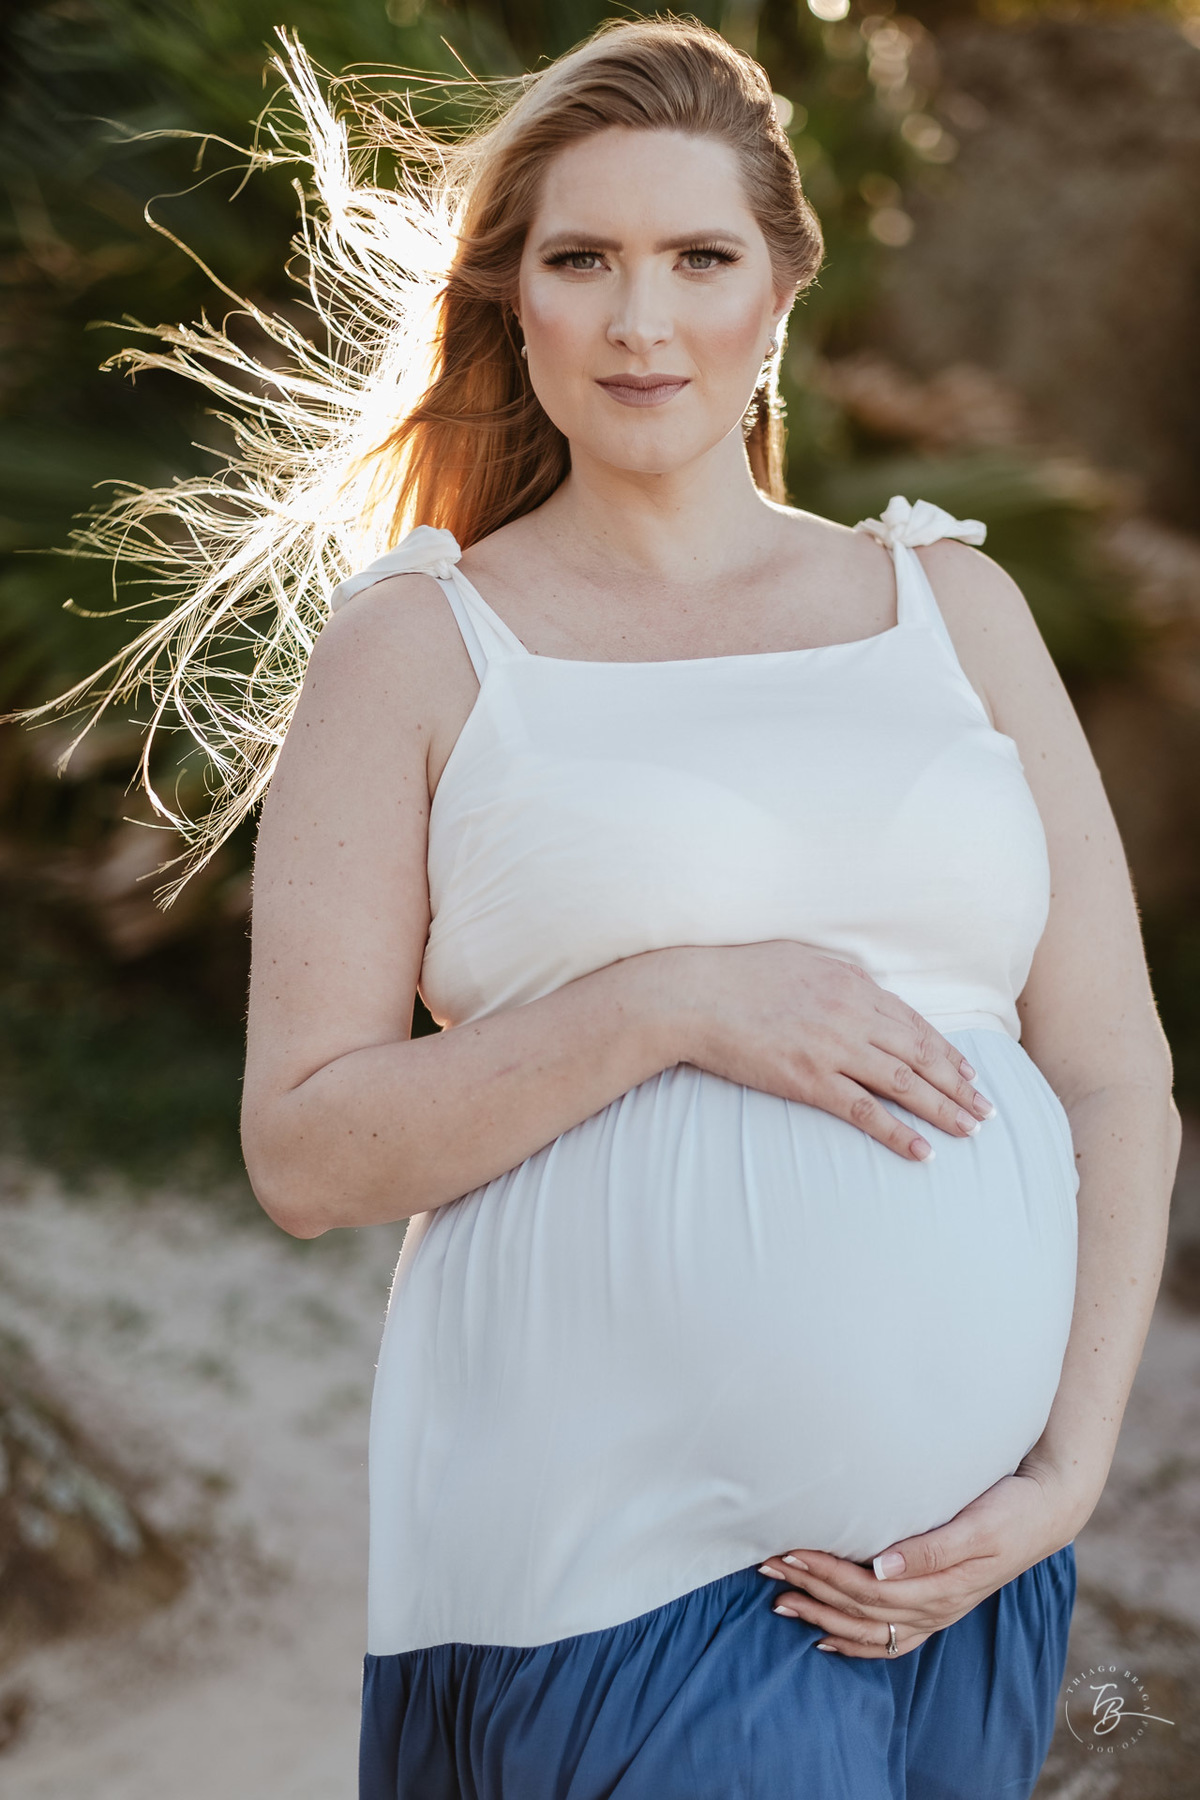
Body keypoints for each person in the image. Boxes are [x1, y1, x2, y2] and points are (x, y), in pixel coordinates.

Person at [36, 16, 1178, 1800]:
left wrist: (1067, 1477)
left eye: (698, 258)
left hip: (966, 1583)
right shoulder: (420, 646)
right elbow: (309, 1152)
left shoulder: (954, 605)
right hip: (609, 1574)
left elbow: (1116, 1075)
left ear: (781, 287)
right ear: (515, 300)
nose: (643, 321)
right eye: (584, 260)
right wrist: (671, 1004)